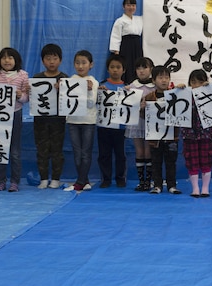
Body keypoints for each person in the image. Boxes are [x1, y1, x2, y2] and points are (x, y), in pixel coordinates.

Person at [0, 47, 29, 192]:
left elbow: (26, 99)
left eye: (10, 57)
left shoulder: (23, 75)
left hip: (15, 113)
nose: (7, 60)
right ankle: (1, 181)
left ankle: (15, 182)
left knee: (15, 151)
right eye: (3, 58)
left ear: (16, 60)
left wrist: (19, 95)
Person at [32, 44, 68, 189]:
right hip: (40, 120)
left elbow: (71, 100)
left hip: (58, 120)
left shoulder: (64, 78)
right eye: (48, 59)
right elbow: (31, 98)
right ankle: (43, 178)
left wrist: (64, 88)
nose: (51, 62)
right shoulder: (36, 78)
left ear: (60, 60)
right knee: (42, 149)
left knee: (57, 149)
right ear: (42, 61)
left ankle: (56, 178)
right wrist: (29, 90)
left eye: (55, 58)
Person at [144, 65, 182, 195]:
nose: (164, 80)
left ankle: (171, 185)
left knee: (171, 161)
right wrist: (143, 108)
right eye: (160, 77)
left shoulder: (175, 94)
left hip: (172, 136)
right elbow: (143, 116)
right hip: (155, 138)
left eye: (167, 77)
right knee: (156, 161)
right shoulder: (149, 97)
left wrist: (182, 91)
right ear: (154, 80)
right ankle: (157, 185)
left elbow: (183, 111)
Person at [65, 50, 98, 192]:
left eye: (84, 63)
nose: (80, 66)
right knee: (77, 152)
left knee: (85, 152)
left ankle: (79, 182)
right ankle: (85, 181)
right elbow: (65, 101)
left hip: (88, 121)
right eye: (77, 63)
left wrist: (89, 90)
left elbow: (91, 103)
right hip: (73, 120)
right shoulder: (70, 80)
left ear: (91, 65)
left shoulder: (93, 81)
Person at [182, 69, 212, 197]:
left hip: (206, 133)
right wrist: (179, 89)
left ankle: (205, 188)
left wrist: (210, 88)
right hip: (189, 133)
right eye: (193, 82)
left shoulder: (211, 94)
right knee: (192, 160)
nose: (196, 85)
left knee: (206, 159)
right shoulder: (185, 94)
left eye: (200, 82)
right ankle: (195, 188)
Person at [97, 54, 128, 188]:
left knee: (120, 154)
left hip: (120, 127)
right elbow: (94, 103)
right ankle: (106, 178)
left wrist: (131, 94)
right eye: (112, 67)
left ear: (124, 70)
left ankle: (120, 177)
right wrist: (98, 92)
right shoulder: (102, 85)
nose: (115, 70)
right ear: (108, 69)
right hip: (103, 126)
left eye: (118, 67)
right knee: (104, 154)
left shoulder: (128, 88)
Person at [126, 57, 156, 191]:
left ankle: (149, 181)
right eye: (138, 68)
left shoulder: (155, 86)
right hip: (136, 121)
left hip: (151, 122)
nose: (141, 71)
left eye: (145, 67)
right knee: (139, 150)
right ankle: (141, 181)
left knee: (148, 150)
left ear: (151, 69)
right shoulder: (131, 86)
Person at [109, 0, 143, 84]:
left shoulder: (140, 19)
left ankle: (137, 85)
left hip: (137, 46)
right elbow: (116, 36)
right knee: (127, 66)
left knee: (137, 65)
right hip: (126, 46)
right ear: (124, 7)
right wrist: (116, 52)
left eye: (133, 5)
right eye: (128, 5)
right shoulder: (120, 21)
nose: (131, 7)